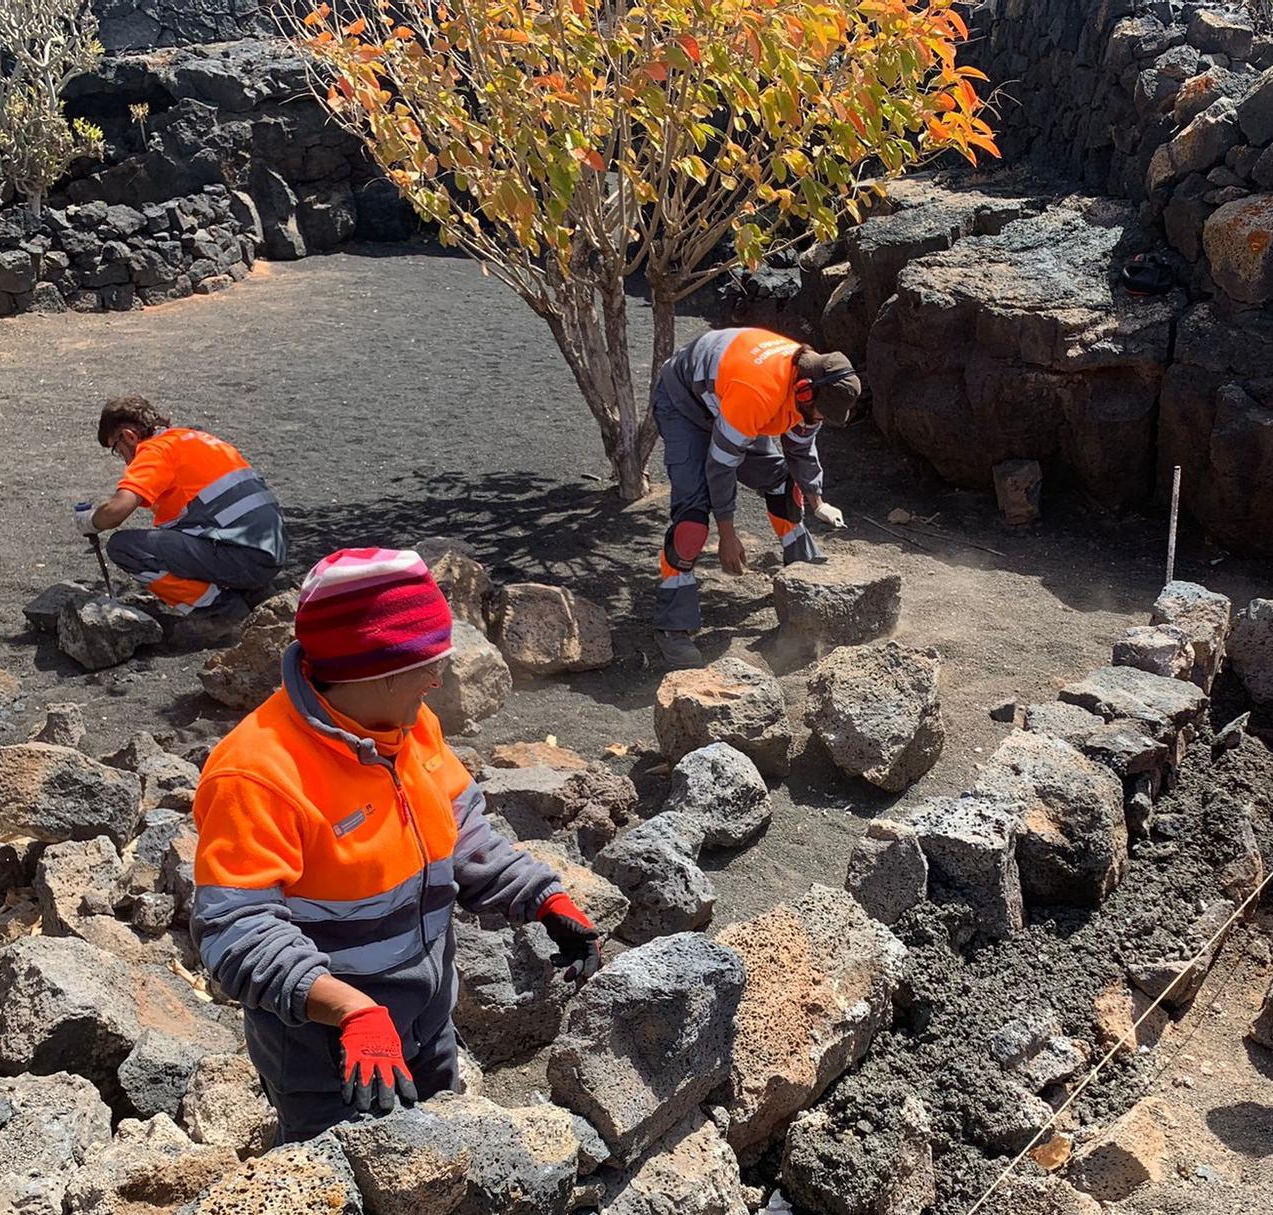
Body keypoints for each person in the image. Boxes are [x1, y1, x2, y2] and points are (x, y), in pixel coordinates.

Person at [190, 548, 603, 1142]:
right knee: (351, 1205)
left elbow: (459, 829)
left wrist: (543, 898)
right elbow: (236, 930)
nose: (437, 680)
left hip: (428, 1018)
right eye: (426, 664)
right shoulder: (257, 774)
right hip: (330, 1054)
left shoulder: (408, 726)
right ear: (373, 671)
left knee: (440, 1153)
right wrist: (351, 1011)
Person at [652, 327, 860, 666]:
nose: (822, 420)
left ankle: (804, 577)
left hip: (728, 399)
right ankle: (672, 627)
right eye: (823, 412)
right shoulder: (759, 392)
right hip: (685, 406)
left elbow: (801, 447)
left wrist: (817, 500)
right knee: (691, 523)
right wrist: (727, 534)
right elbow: (720, 467)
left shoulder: (812, 377)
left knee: (783, 484)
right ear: (805, 393)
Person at [80, 395, 287, 616]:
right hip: (270, 551)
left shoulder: (155, 451)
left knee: (124, 547)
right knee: (177, 534)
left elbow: (117, 511)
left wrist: (91, 521)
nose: (123, 459)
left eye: (117, 449)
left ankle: (220, 610)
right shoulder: (196, 439)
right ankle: (252, 592)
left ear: (129, 436)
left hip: (241, 556)